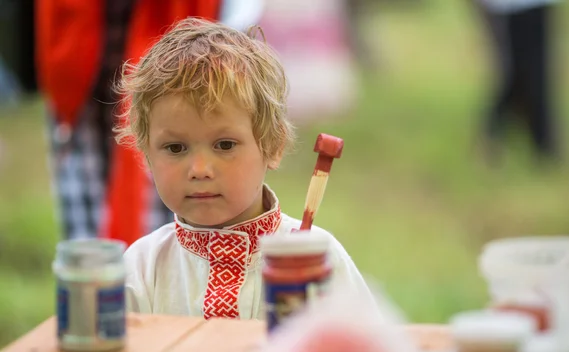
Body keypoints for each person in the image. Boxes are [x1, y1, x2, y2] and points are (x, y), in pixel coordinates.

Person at [120, 18, 370, 319]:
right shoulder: (141, 267)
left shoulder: (318, 258)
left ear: (272, 145)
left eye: (224, 145)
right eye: (176, 148)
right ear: (146, 153)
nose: (200, 169)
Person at [36, 0, 263, 245]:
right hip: (79, 43)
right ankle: (96, 278)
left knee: (171, 215)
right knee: (87, 236)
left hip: (180, 34)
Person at [473, 0, 560, 164]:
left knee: (534, 73)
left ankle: (544, 146)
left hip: (528, 6)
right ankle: (494, 137)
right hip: (510, 7)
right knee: (518, 72)